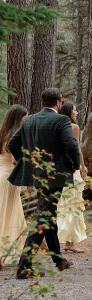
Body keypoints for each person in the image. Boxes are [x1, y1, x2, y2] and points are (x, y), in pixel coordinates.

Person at [8, 88, 81, 279]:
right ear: (58, 102)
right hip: (55, 176)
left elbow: (12, 144)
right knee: (43, 217)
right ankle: (24, 267)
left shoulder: (30, 119)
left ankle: (58, 260)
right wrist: (75, 164)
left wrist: (28, 163)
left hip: (37, 175)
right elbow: (71, 144)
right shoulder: (61, 120)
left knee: (48, 215)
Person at [56, 102, 88, 253]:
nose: (77, 112)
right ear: (69, 112)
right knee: (73, 204)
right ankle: (70, 242)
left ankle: (66, 240)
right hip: (71, 168)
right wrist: (82, 166)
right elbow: (77, 148)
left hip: (59, 168)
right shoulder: (73, 127)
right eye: (75, 110)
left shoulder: (57, 126)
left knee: (63, 204)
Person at [0, 105, 28, 267]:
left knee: (3, 213)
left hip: (0, 176)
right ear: (19, 118)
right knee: (10, 214)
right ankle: (8, 251)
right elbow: (16, 160)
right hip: (10, 178)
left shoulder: (2, 133)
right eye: (25, 117)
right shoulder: (16, 135)